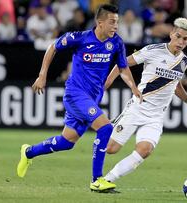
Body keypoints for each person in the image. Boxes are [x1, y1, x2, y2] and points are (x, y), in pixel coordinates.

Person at [16, 4, 142, 192]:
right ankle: (97, 179)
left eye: (117, 22)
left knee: (67, 142)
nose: (116, 26)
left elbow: (123, 68)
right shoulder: (80, 38)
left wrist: (134, 87)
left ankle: (28, 152)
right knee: (106, 128)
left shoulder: (116, 43)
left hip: (93, 98)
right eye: (112, 22)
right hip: (75, 95)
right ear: (100, 23)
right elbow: (52, 47)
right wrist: (42, 76)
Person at [103, 18, 187, 190]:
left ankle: (107, 179)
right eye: (178, 36)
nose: (181, 42)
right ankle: (93, 123)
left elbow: (175, 84)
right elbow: (123, 63)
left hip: (156, 117)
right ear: (172, 33)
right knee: (111, 149)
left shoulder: (184, 61)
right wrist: (107, 83)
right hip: (138, 108)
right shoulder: (153, 50)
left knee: (145, 150)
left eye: (185, 39)